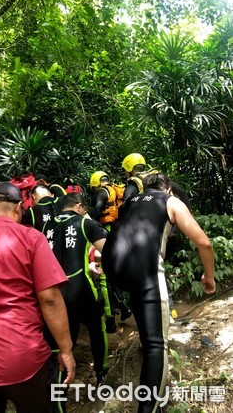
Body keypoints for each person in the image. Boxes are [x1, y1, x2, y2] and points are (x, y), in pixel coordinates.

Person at [101, 172, 216, 413]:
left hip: (114, 271)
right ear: (167, 189)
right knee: (157, 346)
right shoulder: (170, 201)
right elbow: (204, 243)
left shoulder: (129, 203)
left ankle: (147, 348)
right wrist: (209, 277)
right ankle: (149, 408)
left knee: (145, 328)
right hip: (145, 272)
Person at [0, 182, 76, 413]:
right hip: (24, 358)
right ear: (18, 208)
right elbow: (50, 298)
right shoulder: (30, 238)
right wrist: (66, 350)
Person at [53, 192, 109, 385]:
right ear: (79, 206)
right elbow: (109, 251)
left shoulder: (46, 226)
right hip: (80, 290)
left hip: (54, 294)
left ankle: (60, 391)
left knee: (66, 341)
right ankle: (101, 373)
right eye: (84, 208)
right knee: (97, 329)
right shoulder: (85, 223)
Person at [90, 171, 132, 325]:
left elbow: (98, 209)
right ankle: (124, 306)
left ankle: (111, 319)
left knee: (104, 275)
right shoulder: (113, 189)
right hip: (116, 230)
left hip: (105, 231)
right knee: (112, 272)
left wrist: (89, 222)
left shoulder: (101, 192)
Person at [121, 153, 192, 210]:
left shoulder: (133, 185)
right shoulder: (157, 178)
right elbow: (182, 192)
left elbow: (124, 208)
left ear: (128, 170)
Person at [22, 184, 65, 249]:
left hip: (46, 254)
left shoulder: (31, 212)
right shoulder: (64, 202)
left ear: (33, 197)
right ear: (52, 195)